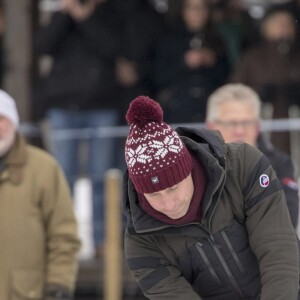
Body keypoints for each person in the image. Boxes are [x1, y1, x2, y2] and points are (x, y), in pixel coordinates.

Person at [122, 95, 299, 299]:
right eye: (154, 194)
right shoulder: (142, 243)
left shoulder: (243, 167)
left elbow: (278, 250)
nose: (169, 204)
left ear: (189, 169)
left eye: (173, 188)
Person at [33, 0, 120, 256]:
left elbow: (112, 48)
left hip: (101, 105)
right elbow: (42, 45)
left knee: (101, 178)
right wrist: (66, 13)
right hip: (63, 106)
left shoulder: (108, 13)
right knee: (63, 178)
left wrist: (86, 18)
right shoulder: (60, 15)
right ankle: (62, 242)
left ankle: (102, 241)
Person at [0, 90, 81, 299]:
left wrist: (59, 284)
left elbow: (64, 235)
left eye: (2, 119)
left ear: (14, 123)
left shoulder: (44, 168)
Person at [205, 83, 299, 228]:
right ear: (210, 126)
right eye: (231, 123)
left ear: (257, 126)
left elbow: (287, 219)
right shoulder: (197, 165)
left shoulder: (280, 164)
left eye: (247, 122)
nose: (240, 131)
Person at [230, 8, 300, 154]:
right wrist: (257, 94)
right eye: (278, 23)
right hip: (261, 125)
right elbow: (233, 93)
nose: (284, 27)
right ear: (265, 27)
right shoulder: (252, 57)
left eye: (287, 23)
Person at [154, 0, 229, 123]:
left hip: (210, 113)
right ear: (183, 11)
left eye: (202, 8)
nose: (197, 13)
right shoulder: (168, 40)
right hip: (177, 113)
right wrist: (184, 62)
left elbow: (227, 77)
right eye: (192, 8)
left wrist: (213, 62)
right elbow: (158, 76)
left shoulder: (216, 40)